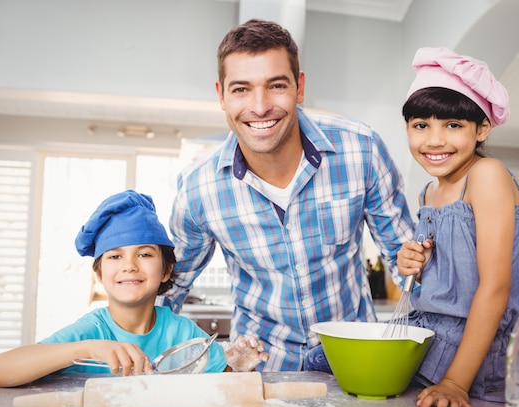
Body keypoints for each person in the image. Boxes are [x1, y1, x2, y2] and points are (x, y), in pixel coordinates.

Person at [162, 18, 415, 372]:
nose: (261, 106)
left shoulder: (361, 149)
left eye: (276, 85)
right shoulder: (198, 189)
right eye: (241, 89)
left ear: (299, 86)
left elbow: (410, 266)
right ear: (221, 95)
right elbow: (170, 288)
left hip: (353, 361)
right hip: (259, 373)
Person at [0, 190, 268, 388]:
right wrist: (90, 348)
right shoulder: (91, 332)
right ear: (99, 272)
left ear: (167, 270)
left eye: (144, 255)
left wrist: (239, 369)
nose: (129, 266)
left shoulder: (181, 332)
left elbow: (223, 383)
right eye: (114, 256)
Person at [396, 47, 519, 407]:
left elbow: (495, 288)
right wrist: (413, 262)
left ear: (482, 129)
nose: (435, 140)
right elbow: (447, 277)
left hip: (477, 363)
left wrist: (456, 382)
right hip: (430, 350)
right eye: (421, 125)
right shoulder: (429, 191)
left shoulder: (486, 176)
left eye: (453, 125)